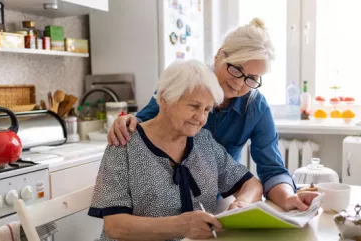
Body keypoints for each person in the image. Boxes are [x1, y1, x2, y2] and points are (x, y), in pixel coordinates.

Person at [106, 18, 318, 212]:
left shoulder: (256, 108)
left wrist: (289, 198)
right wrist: (126, 122)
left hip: (211, 202)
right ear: (219, 55)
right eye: (236, 69)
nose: (239, 83)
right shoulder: (185, 82)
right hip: (158, 203)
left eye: (251, 78)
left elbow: (272, 170)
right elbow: (144, 124)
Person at [89, 59, 263, 241]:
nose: (200, 118)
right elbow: (115, 226)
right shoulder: (124, 142)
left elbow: (251, 185)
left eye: (207, 109)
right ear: (164, 98)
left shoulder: (204, 141)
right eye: (194, 106)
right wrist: (182, 226)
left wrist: (242, 203)